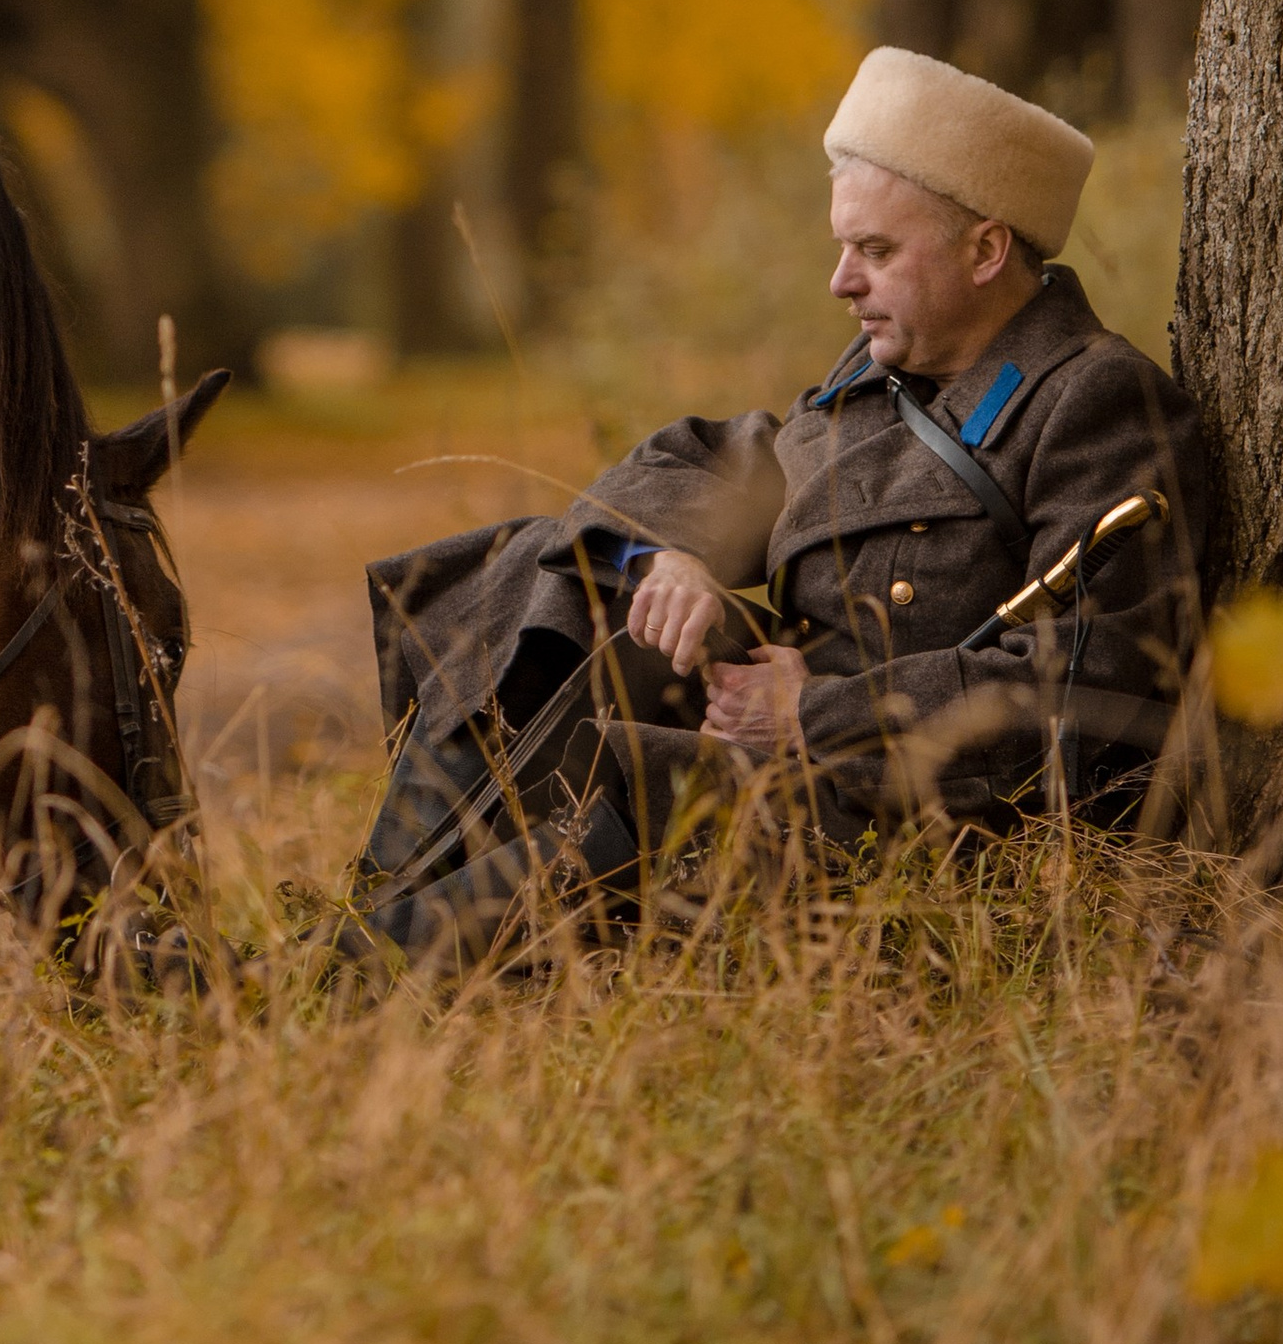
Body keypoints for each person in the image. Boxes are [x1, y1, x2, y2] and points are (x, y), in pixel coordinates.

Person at [347, 48, 1209, 963]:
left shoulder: (1098, 402)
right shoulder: (883, 372)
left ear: (987, 250)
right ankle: (372, 909)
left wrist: (817, 714)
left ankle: (342, 974)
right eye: (845, 247)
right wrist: (668, 561)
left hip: (916, 818)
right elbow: (703, 460)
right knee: (536, 570)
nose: (842, 281)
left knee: (637, 782)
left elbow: (1087, 686)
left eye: (876, 251)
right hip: (787, 750)